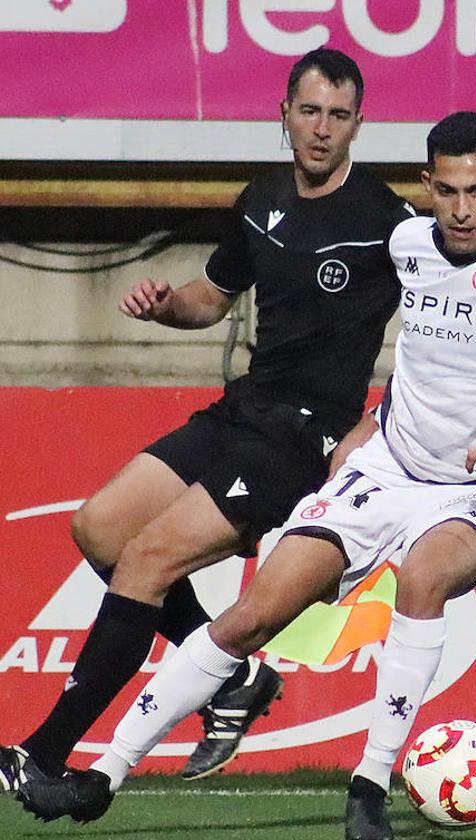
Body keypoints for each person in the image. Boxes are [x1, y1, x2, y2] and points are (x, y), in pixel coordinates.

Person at [15, 111, 476, 840]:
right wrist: (368, 423)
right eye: (448, 191)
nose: (463, 210)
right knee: (252, 616)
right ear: (428, 186)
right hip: (385, 469)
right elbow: (410, 353)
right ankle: (102, 777)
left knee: (424, 579)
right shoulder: (406, 243)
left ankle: (369, 786)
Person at [0, 48, 415, 796]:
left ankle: (44, 751)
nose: (321, 129)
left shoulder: (388, 221)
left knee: (147, 561)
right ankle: (239, 676)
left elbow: (437, 330)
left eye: (339, 116)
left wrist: (377, 421)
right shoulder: (260, 199)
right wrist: (167, 306)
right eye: (310, 111)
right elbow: (213, 296)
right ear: (283, 113)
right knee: (98, 527)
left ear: (360, 124)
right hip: (241, 408)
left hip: (301, 437)